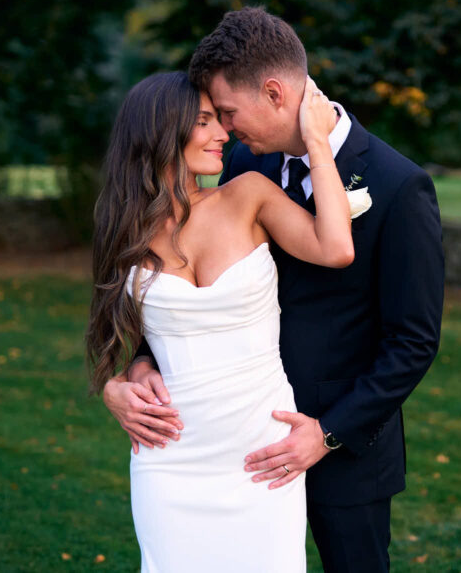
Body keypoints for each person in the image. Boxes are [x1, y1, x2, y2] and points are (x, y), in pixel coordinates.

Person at [105, 7, 444, 572]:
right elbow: (195, 293)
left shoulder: (398, 185)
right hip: (232, 435)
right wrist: (139, 367)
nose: (227, 130)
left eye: (230, 113)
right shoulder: (242, 164)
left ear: (273, 92)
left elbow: (413, 341)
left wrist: (328, 434)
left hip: (346, 445)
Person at [86, 69, 353, 572]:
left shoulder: (247, 194)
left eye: (220, 120)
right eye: (205, 121)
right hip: (170, 456)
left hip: (262, 449)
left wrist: (317, 140)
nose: (223, 134)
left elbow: (336, 248)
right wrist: (114, 387)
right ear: (162, 130)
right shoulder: (123, 230)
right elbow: (119, 343)